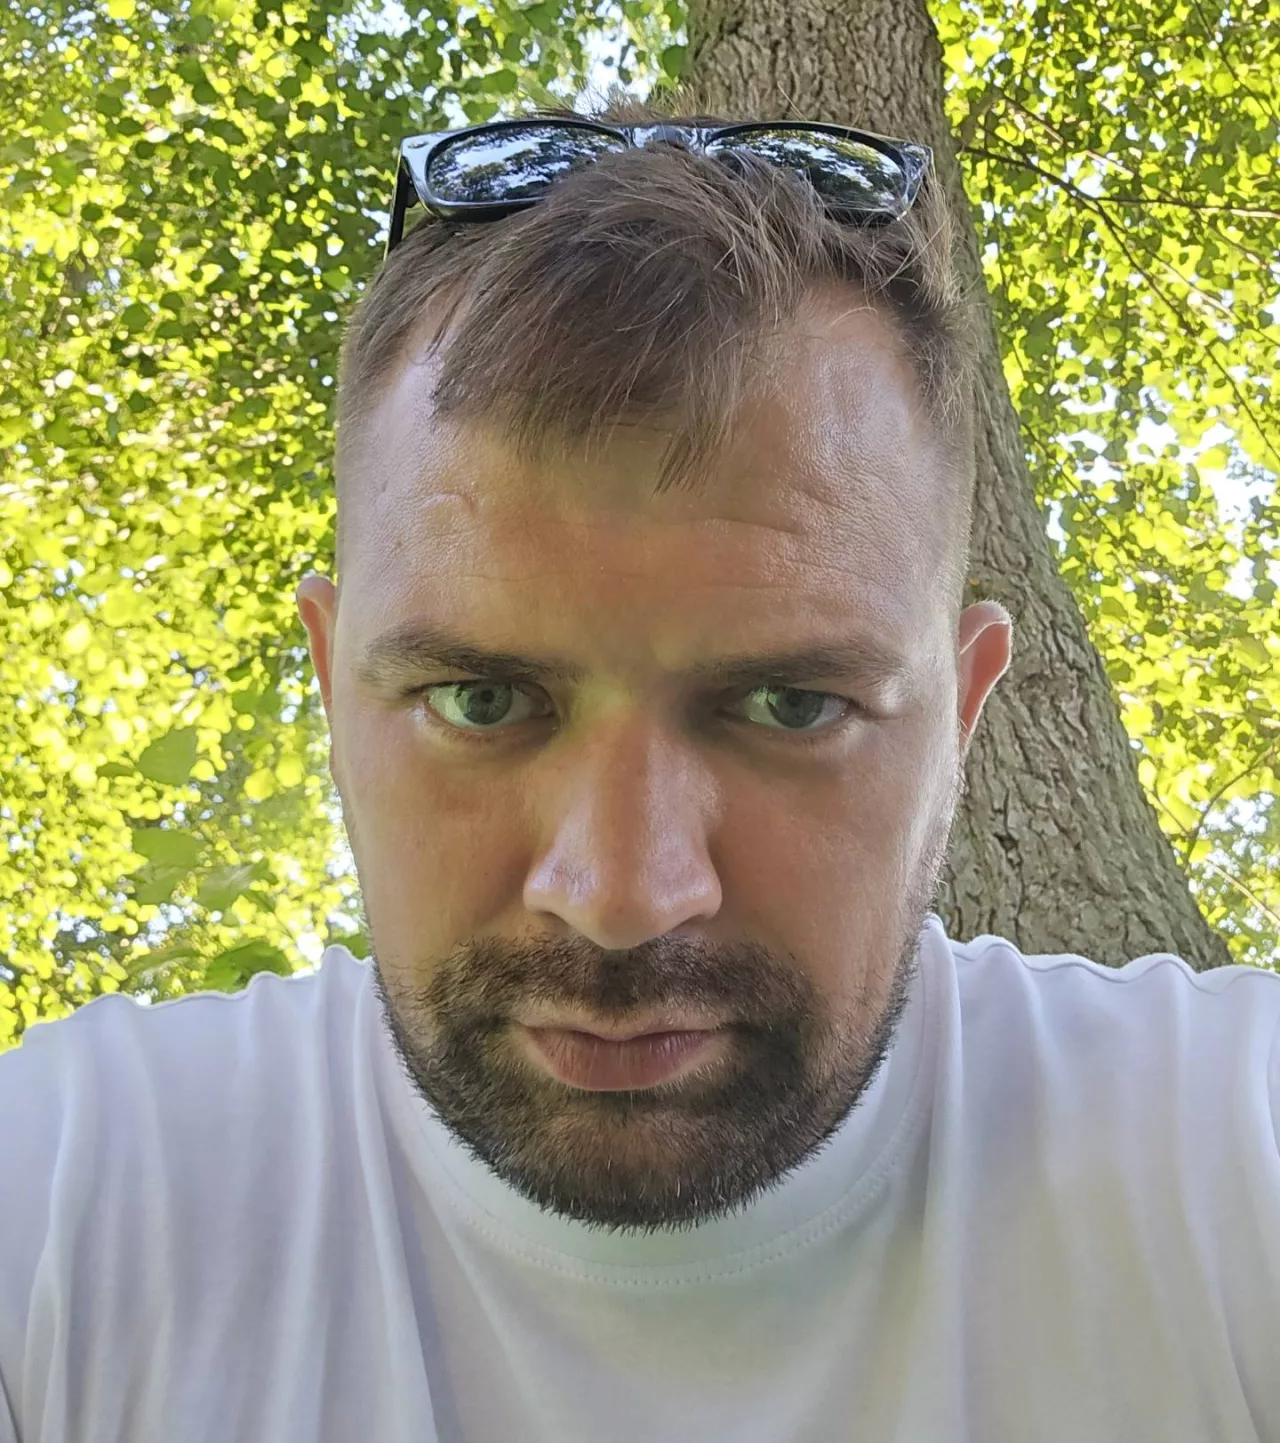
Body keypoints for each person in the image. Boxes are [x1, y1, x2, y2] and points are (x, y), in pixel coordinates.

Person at [2, 89, 1277, 1443]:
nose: (621, 895)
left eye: (792, 704)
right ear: (333, 687)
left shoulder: (1229, 1153)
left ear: (961, 712)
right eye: (481, 699)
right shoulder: (69, 1203)